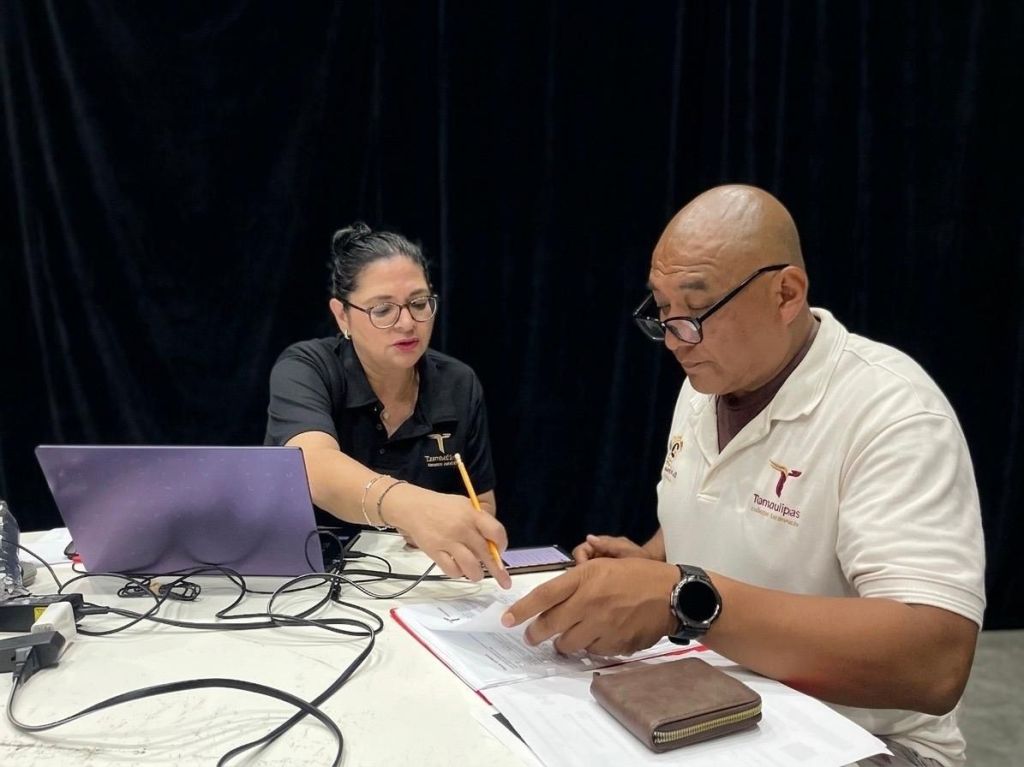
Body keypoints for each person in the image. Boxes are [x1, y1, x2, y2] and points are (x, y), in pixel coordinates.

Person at [502, 185, 985, 766]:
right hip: (717, 704)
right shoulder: (706, 383)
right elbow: (729, 511)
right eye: (661, 310)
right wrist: (649, 565)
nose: (674, 340)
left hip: (863, 741)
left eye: (695, 311)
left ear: (786, 294)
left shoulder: (891, 412)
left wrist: (682, 597)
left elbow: (935, 662)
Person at [265, 222, 510, 588]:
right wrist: (411, 509)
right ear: (342, 315)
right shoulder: (307, 367)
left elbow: (481, 504)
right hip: (304, 579)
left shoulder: (459, 383)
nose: (407, 323)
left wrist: (461, 530)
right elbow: (313, 465)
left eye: (419, 303)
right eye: (383, 310)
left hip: (416, 583)